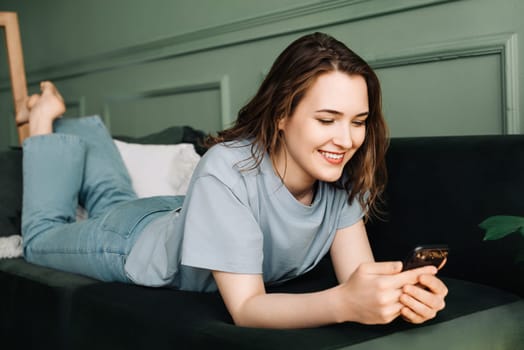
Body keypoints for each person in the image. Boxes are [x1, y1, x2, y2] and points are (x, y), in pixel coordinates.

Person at [18, 32, 447, 329]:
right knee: (39, 238)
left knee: (112, 199)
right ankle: (41, 122)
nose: (347, 139)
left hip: (178, 214)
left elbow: (359, 278)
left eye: (358, 121)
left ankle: (83, 130)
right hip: (131, 242)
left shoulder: (340, 177)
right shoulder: (227, 167)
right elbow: (246, 307)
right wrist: (343, 304)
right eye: (327, 119)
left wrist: (404, 298)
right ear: (282, 114)